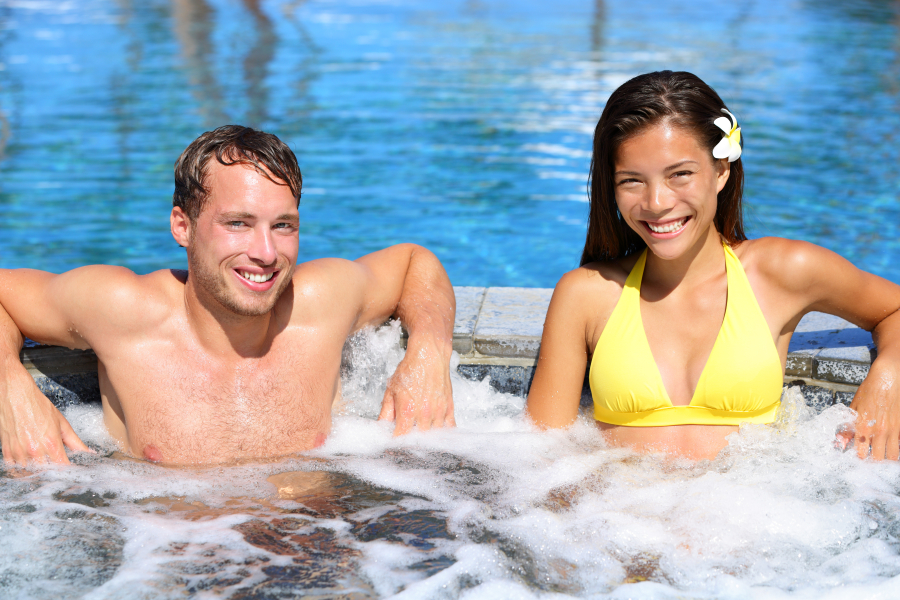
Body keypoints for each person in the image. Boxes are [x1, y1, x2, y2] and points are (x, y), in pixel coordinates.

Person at [0, 125, 456, 467]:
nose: (265, 253)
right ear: (183, 226)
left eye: (283, 226)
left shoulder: (319, 305)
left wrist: (428, 351)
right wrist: (8, 384)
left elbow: (417, 263)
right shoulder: (123, 312)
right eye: (237, 223)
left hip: (313, 556)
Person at [526, 71, 900, 461]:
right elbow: (540, 456)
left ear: (721, 171)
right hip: (619, 514)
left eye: (680, 174)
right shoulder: (586, 293)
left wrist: (888, 376)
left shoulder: (781, 272)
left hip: (752, 514)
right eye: (632, 181)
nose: (656, 203)